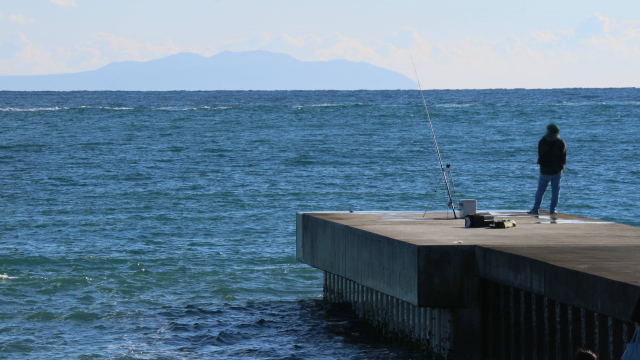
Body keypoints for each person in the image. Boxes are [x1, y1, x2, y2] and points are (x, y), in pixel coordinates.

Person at [528, 123, 567, 215]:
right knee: (555, 191)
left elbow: (540, 154)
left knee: (540, 190)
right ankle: (552, 210)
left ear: (549, 131)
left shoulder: (542, 141)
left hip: (544, 170)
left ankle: (535, 209)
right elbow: (563, 158)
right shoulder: (560, 142)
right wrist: (561, 165)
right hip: (556, 170)